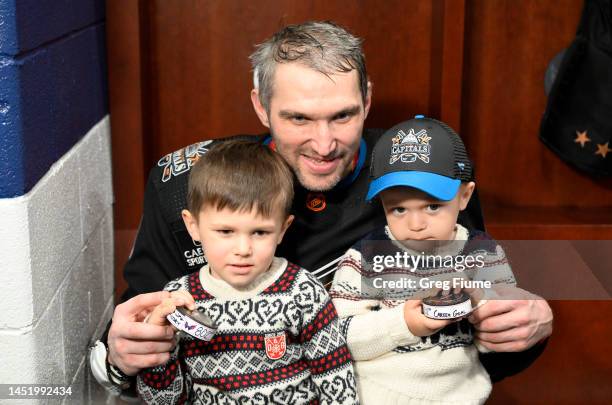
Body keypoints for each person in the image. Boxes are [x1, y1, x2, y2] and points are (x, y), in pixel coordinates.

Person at [89, 20, 553, 394]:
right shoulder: (189, 184)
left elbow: (475, 342)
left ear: (367, 101)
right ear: (260, 107)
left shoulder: (422, 171)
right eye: (298, 118)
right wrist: (118, 357)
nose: (325, 144)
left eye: (343, 115)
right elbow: (131, 349)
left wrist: (526, 327)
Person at [135, 140, 358, 404]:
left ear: (283, 229)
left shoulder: (303, 292)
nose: (243, 249)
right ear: (192, 226)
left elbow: (337, 384)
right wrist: (159, 348)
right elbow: (164, 400)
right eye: (226, 231)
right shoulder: (177, 301)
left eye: (260, 232)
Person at [330, 117, 517, 404]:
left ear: (465, 196)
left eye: (433, 206)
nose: (416, 224)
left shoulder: (483, 253)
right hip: (379, 395)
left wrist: (481, 302)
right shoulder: (364, 259)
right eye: (399, 209)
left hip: (461, 397)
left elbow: (505, 334)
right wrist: (404, 322)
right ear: (382, 204)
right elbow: (339, 339)